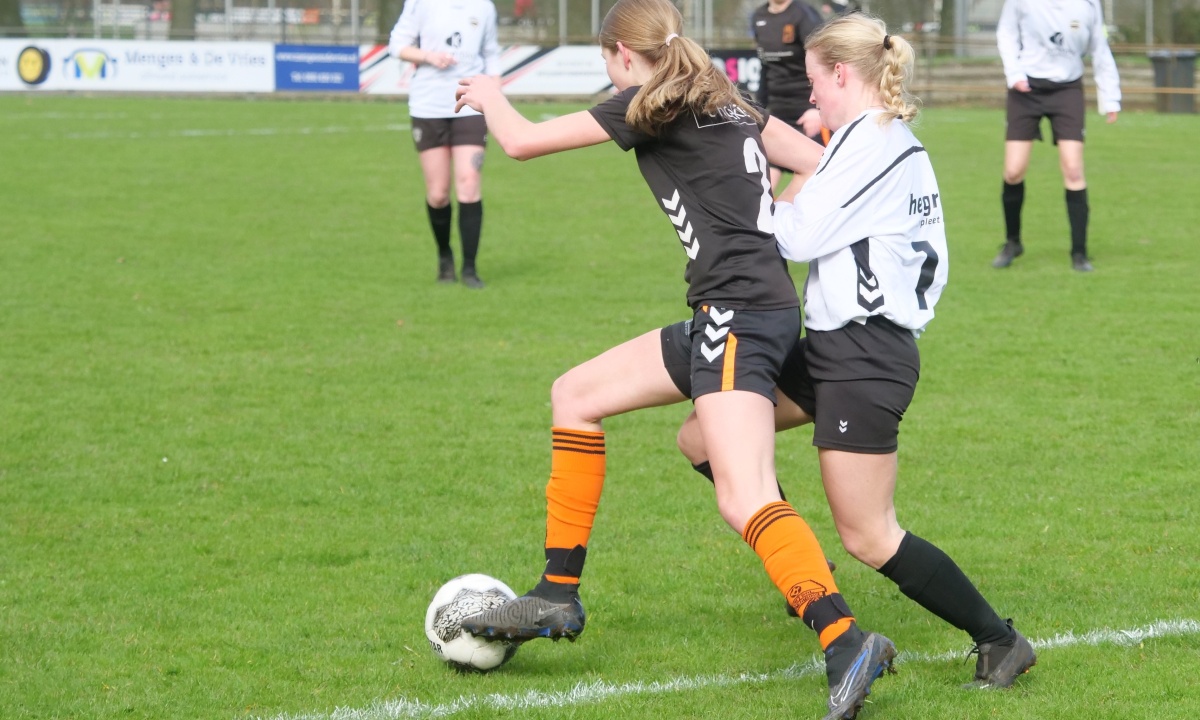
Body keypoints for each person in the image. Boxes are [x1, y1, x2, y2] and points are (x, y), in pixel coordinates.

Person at [454, 1, 895, 716]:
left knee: (744, 492)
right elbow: (817, 160)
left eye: (610, 65)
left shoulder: (643, 104)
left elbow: (521, 144)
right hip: (767, 311)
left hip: (735, 320)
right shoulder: (727, 99)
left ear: (624, 59)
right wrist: (772, 223)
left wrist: (491, 95)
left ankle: (844, 636)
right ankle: (556, 594)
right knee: (579, 395)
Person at [674, 13, 1038, 690]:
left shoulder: (875, 142)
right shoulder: (865, 138)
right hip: (837, 345)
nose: (811, 100)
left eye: (816, 85)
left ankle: (999, 639)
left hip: (867, 356)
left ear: (843, 75)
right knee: (703, 437)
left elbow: (793, 236)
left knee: (870, 534)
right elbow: (813, 204)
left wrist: (738, 184)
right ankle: (800, 565)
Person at [993, 0, 1121, 272]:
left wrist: (1110, 97)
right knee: (1013, 171)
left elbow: (1099, 45)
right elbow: (1006, 33)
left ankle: (1079, 253)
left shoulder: (1089, 4)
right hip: (1025, 88)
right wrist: (1013, 73)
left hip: (1067, 90)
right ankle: (1012, 242)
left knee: (1074, 170)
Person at [389, 0, 501, 288]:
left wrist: (496, 97)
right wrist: (429, 56)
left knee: (468, 181)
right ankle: (444, 255)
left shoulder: (484, 6)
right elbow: (397, 45)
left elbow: (491, 53)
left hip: (470, 103)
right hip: (428, 105)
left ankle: (470, 269)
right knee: (438, 193)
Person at [751, 0, 828, 189]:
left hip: (807, 109)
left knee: (818, 173)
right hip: (777, 109)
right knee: (762, 183)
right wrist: (758, 108)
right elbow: (765, 68)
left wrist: (816, 109)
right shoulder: (758, 17)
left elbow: (824, 63)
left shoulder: (805, 15)